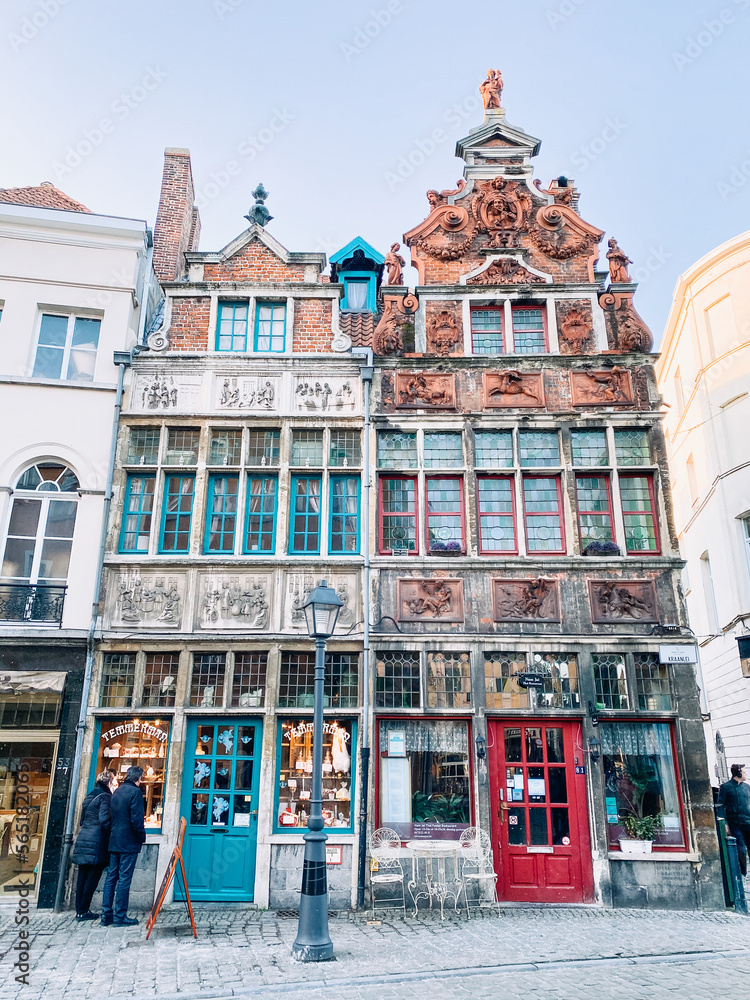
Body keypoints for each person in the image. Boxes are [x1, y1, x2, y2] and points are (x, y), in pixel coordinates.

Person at [101, 765, 146, 926]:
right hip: (128, 841)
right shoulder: (135, 793)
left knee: (111, 877)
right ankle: (120, 915)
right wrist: (141, 837)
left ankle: (106, 914)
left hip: (115, 839)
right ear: (139, 779)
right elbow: (136, 820)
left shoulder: (118, 791)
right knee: (124, 878)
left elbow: (111, 816)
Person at [71, 768, 116, 921]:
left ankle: (80, 911)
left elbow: (82, 820)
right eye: (114, 782)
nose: (115, 785)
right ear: (109, 782)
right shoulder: (105, 797)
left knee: (82, 877)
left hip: (84, 839)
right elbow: (104, 820)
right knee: (92, 878)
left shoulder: (89, 795)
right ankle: (84, 911)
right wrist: (112, 831)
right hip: (96, 842)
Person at [719, 763, 750, 875]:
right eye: (744, 772)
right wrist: (725, 824)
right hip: (735, 824)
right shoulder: (726, 787)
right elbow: (720, 806)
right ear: (738, 773)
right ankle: (743, 872)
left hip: (748, 822)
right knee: (741, 850)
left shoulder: (747, 787)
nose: (746, 774)